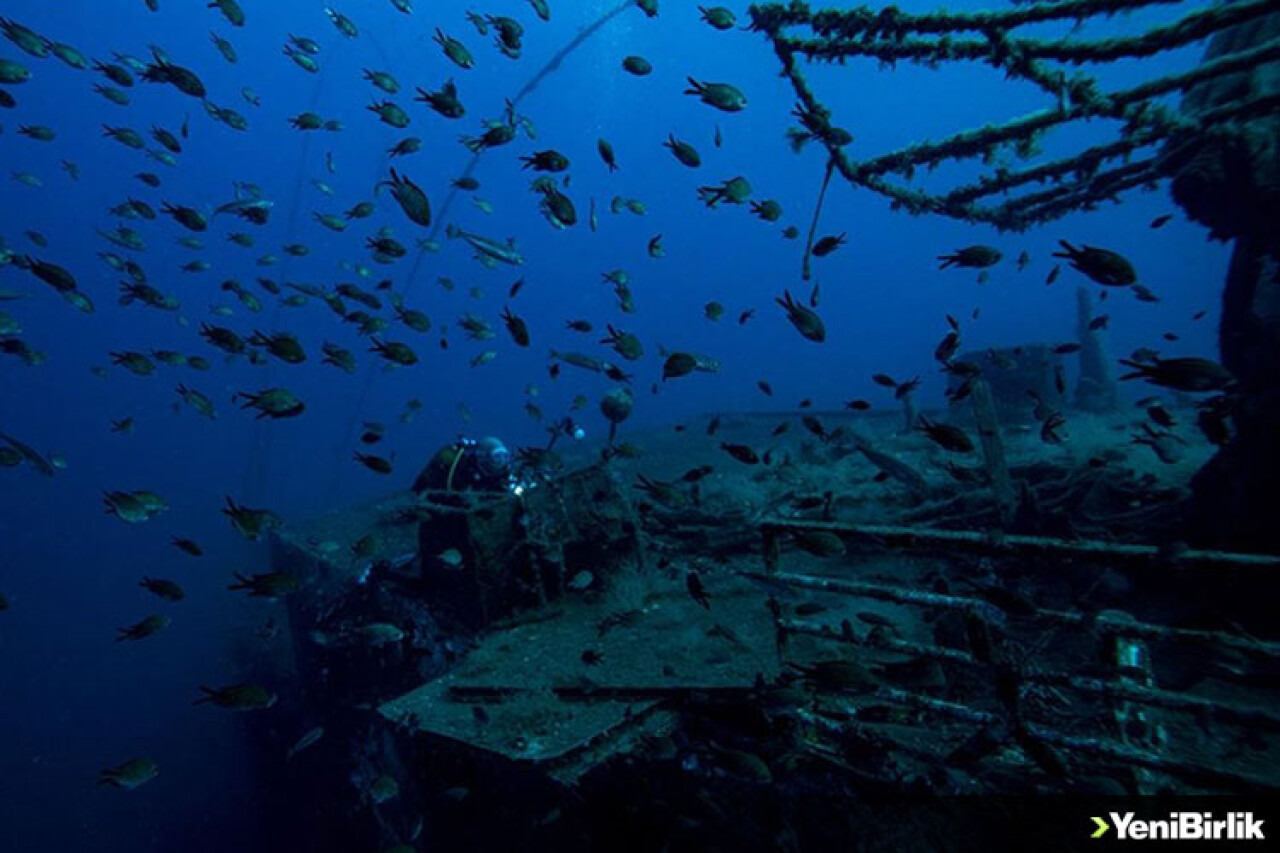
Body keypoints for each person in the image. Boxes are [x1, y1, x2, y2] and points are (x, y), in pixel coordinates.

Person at [412, 436, 512, 495]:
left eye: (505, 456)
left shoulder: (502, 473)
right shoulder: (462, 468)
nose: (501, 461)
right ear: (485, 457)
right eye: (497, 456)